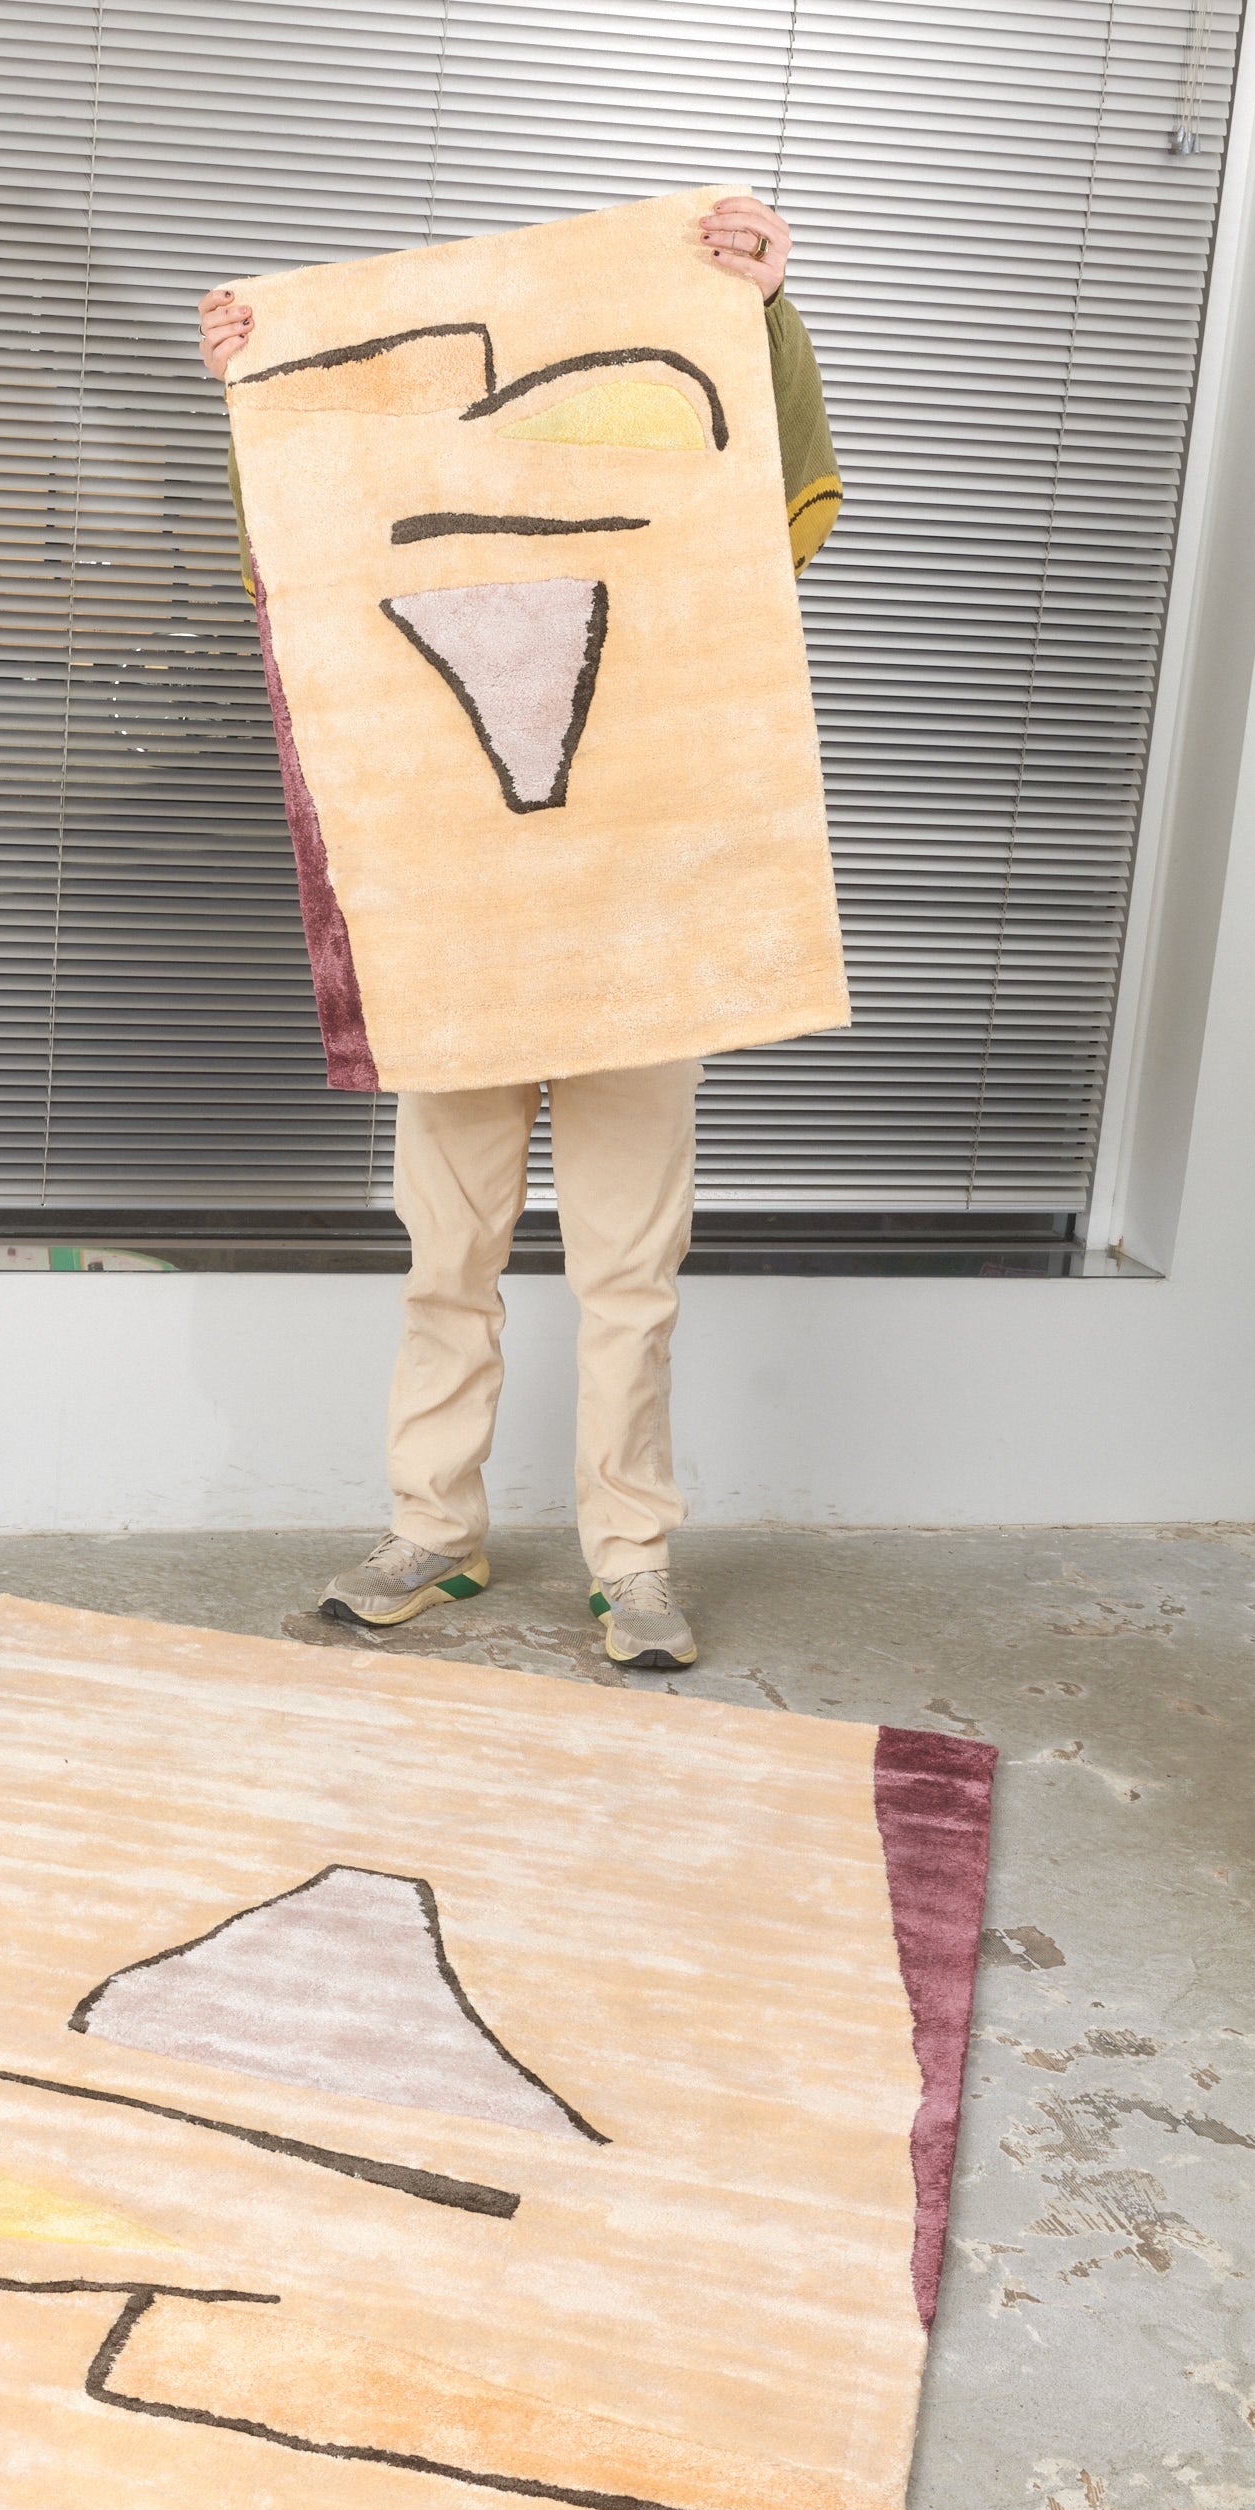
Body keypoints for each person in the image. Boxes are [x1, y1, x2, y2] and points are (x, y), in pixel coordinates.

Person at [198, 195, 839, 1671]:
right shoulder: (391, 575)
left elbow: (773, 479)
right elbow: (299, 565)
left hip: (640, 930)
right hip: (458, 933)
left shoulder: (691, 551)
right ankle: (434, 1531)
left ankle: (633, 1562)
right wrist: (254, 385)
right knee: (449, 1256)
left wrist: (763, 318)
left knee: (628, 1272)